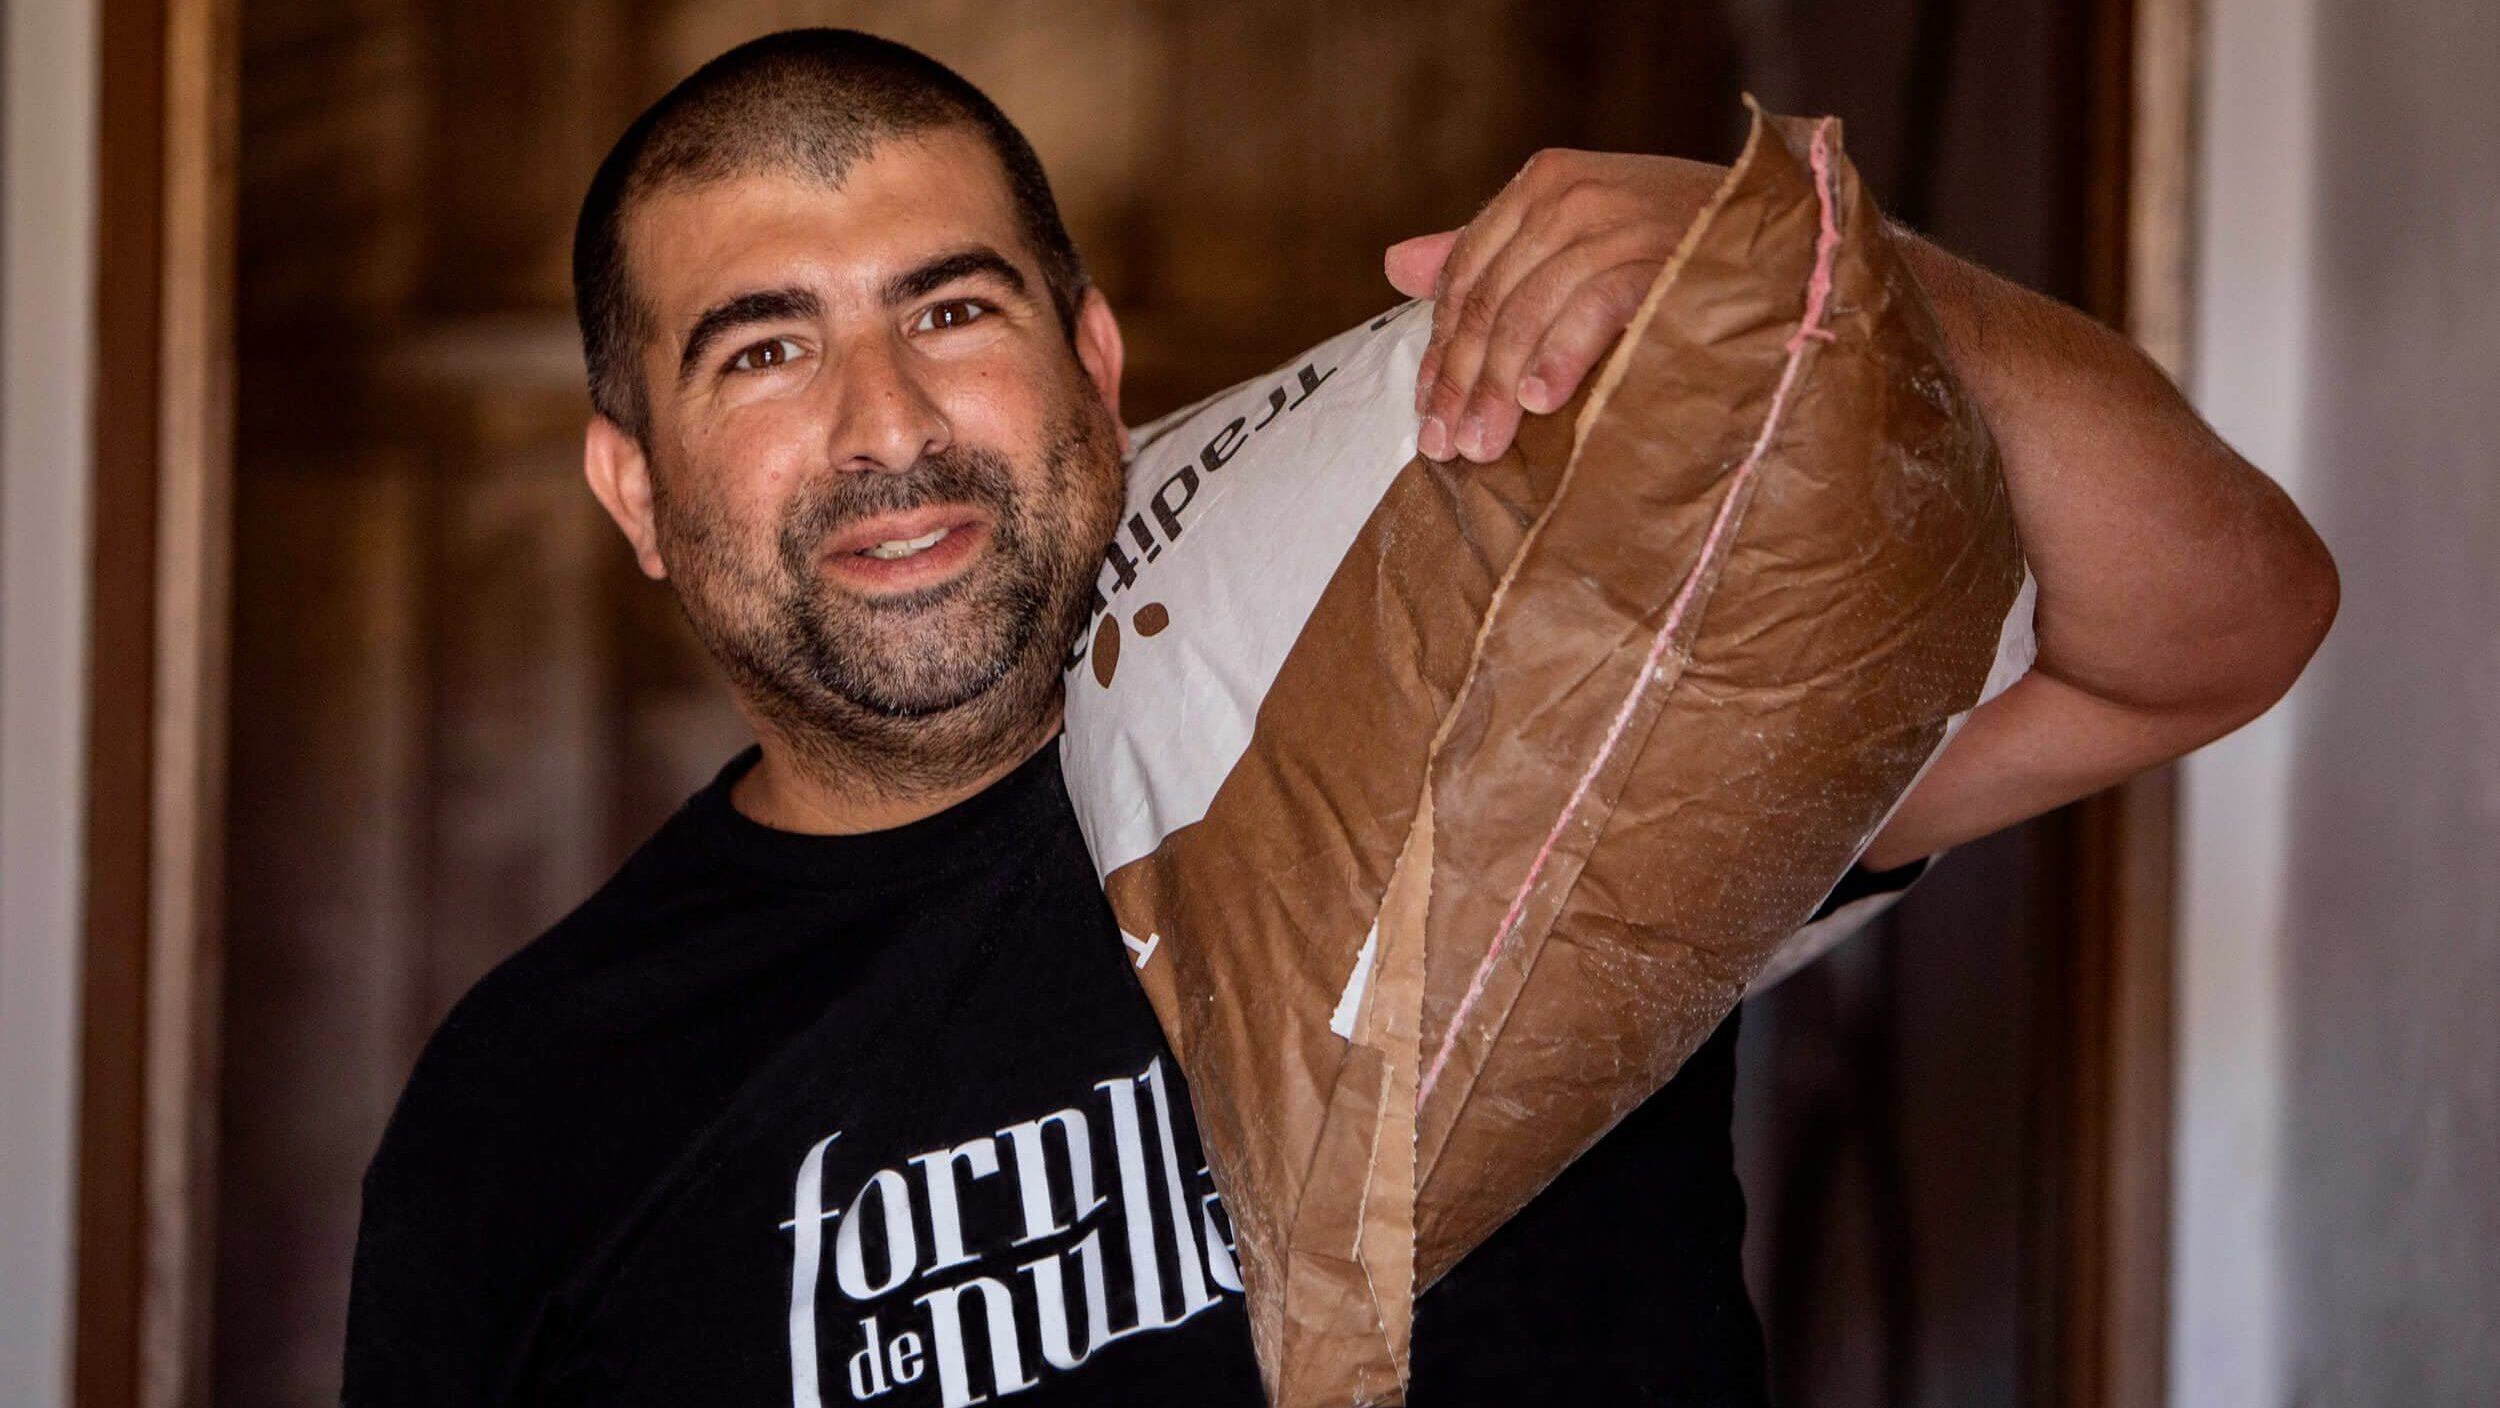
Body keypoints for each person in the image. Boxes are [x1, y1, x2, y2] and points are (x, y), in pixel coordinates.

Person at [342, 28, 2338, 1408]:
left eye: (952, 309)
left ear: (1094, 368)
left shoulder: (1481, 695)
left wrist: (1829, 265)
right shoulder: (530, 1106)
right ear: (638, 492)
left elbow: (2215, 625)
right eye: (761, 349)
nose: (887, 428)